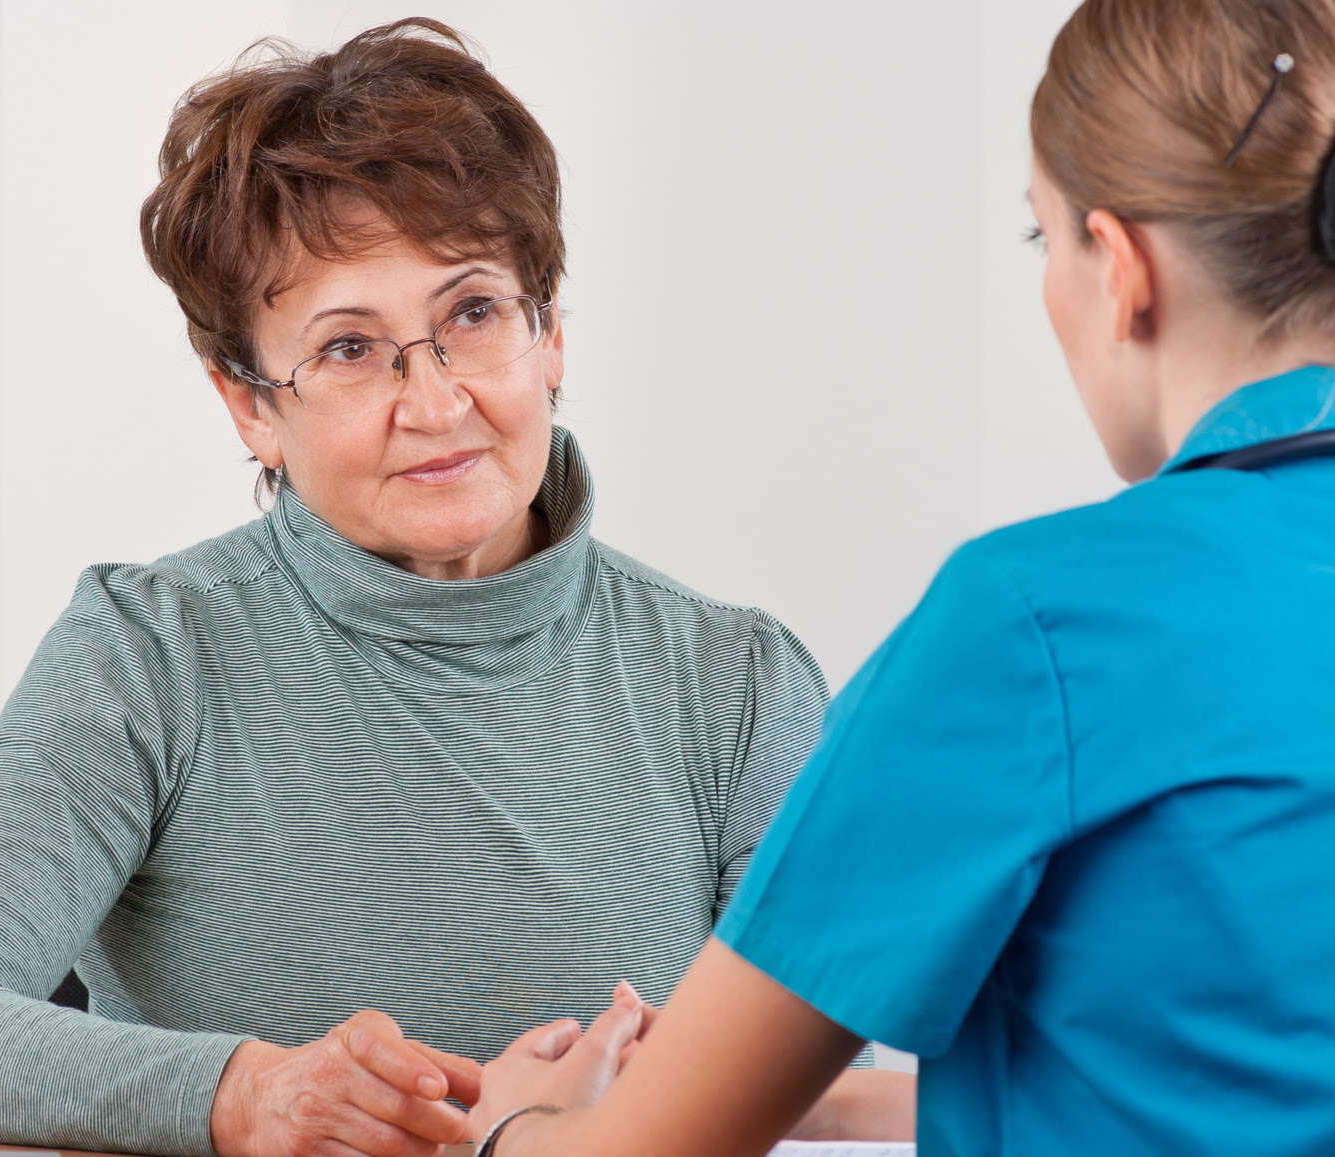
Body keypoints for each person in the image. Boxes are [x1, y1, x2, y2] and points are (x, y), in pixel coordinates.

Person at [0, 20, 909, 1157]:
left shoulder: (738, 681)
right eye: (348, 348)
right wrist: (248, 1093)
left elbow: (825, 1099)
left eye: (472, 314)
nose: (434, 404)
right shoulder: (146, 653)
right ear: (250, 405)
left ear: (550, 335)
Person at [465, 0, 1335, 1154]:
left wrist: (511, 1125)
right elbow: (1180, 1072)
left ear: (1120, 266)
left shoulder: (1038, 623)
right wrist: (777, 1084)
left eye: (1041, 237)